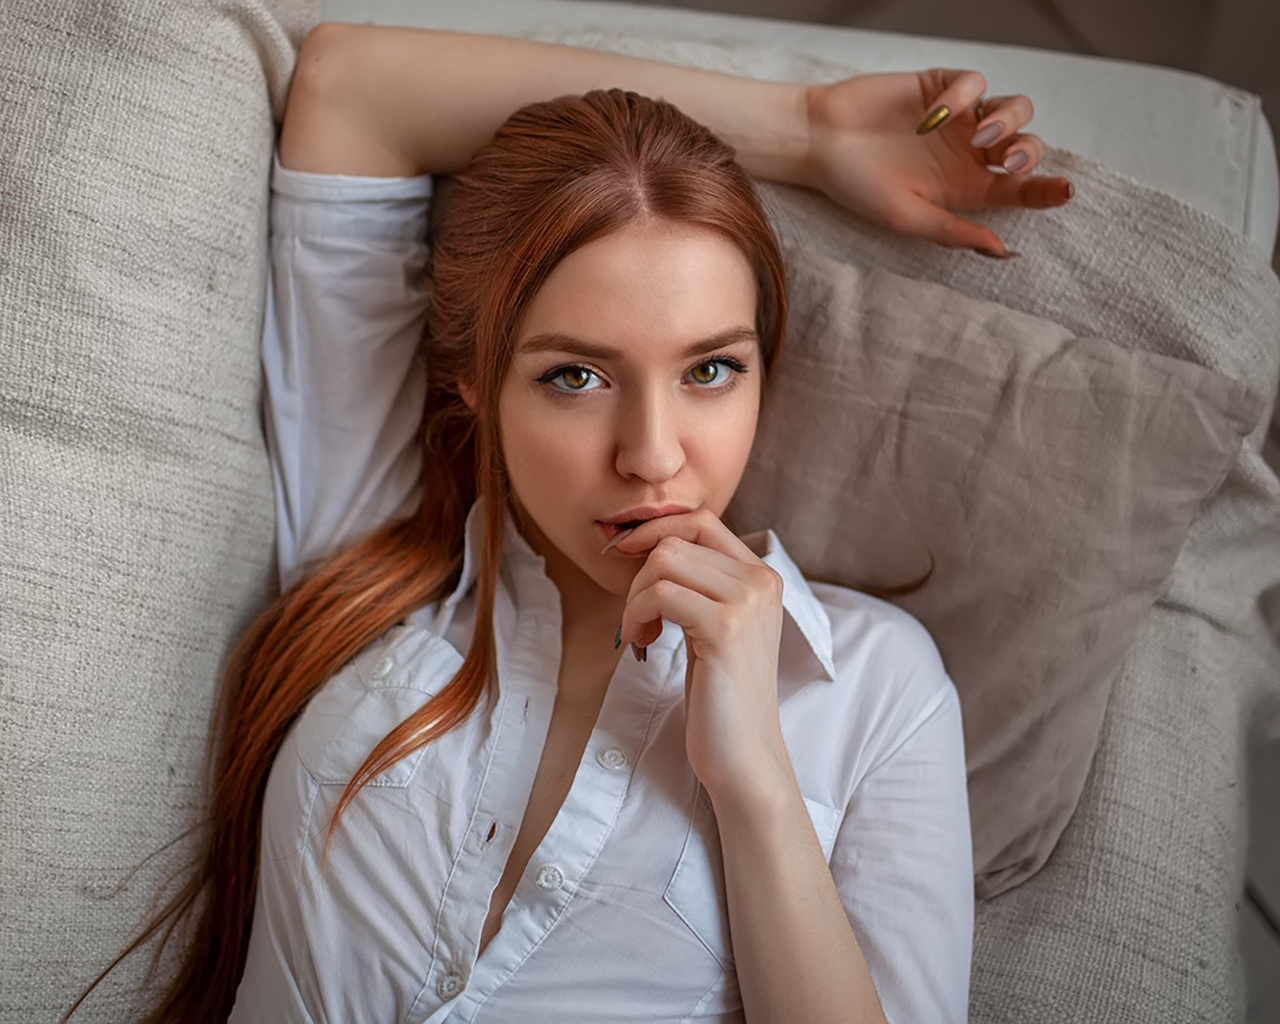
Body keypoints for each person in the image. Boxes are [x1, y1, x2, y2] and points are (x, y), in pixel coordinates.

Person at [72, 23, 1071, 1024]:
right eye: (575, 376)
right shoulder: (379, 550)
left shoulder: (872, 688)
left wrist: (754, 783)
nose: (650, 452)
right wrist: (804, 129)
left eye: (709, 369)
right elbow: (353, 89)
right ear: (473, 383)